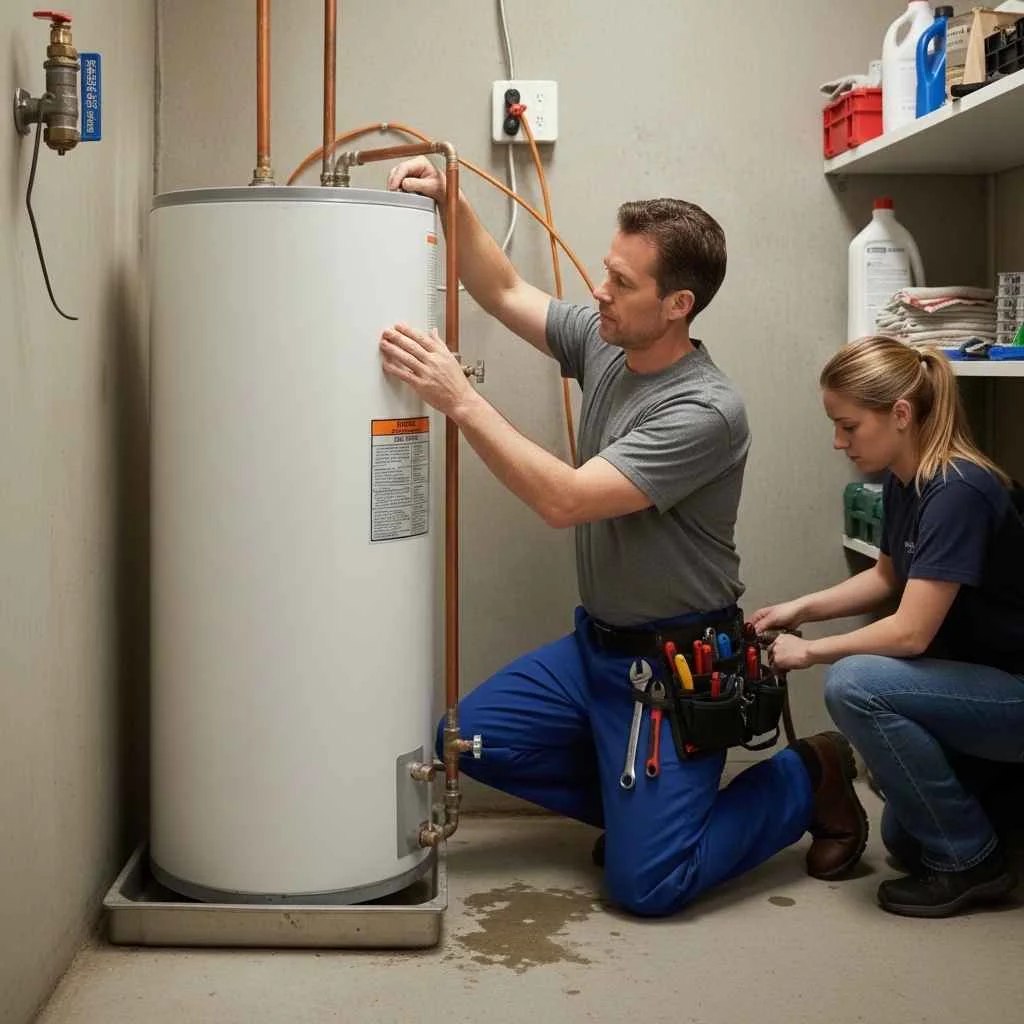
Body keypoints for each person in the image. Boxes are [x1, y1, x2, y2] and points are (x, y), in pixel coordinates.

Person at [378, 157, 866, 917]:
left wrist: (460, 400)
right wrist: (454, 202)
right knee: (463, 740)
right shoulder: (607, 342)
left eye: (621, 283)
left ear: (678, 304)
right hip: (593, 651)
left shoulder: (706, 412)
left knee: (648, 887)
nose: (599, 291)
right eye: (607, 272)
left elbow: (567, 501)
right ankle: (648, 813)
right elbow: (504, 289)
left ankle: (811, 775)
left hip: (669, 668)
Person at [754, 335, 1024, 919]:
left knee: (854, 684)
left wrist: (812, 653)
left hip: (1013, 693)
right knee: (905, 842)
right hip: (981, 682)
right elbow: (885, 579)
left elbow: (910, 634)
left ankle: (974, 862)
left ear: (900, 414)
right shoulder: (909, 479)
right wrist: (800, 609)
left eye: (848, 426)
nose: (838, 441)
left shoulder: (958, 491)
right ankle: (998, 802)